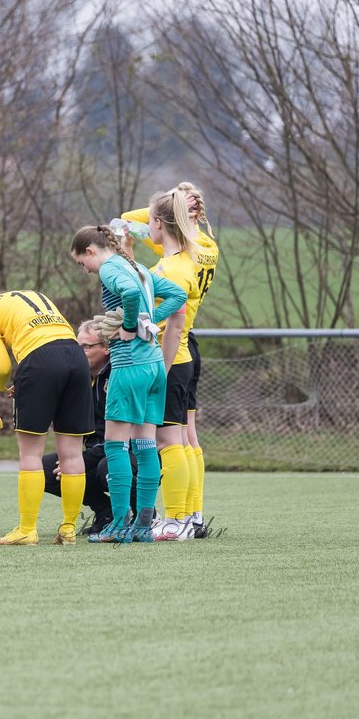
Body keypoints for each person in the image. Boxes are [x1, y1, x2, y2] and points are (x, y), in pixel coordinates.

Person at [70, 224, 187, 543]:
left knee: (116, 444)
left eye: (82, 263)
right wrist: (150, 322)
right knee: (147, 444)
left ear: (91, 251)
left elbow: (131, 295)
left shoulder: (110, 268)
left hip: (130, 364)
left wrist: (130, 325)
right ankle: (143, 526)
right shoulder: (138, 268)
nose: (87, 271)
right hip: (153, 365)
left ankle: (120, 524)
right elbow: (178, 295)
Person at [0, 277, 92, 546]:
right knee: (72, 452)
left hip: (39, 360)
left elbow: (0, 367)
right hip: (76, 357)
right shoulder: (29, 295)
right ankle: (68, 529)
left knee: (31, 452)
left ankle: (27, 529)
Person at [122, 181, 219, 537]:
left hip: (172, 353)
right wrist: (174, 203)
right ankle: (192, 516)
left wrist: (159, 373)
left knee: (168, 441)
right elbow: (142, 220)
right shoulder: (205, 245)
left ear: (161, 225)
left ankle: (176, 519)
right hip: (188, 350)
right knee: (188, 438)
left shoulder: (174, 267)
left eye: (153, 222)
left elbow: (173, 326)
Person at [40, 322, 125, 536]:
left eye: (86, 347)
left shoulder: (120, 375)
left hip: (126, 452)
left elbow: (128, 436)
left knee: (108, 467)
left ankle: (146, 514)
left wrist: (84, 460)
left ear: (106, 348)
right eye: (77, 347)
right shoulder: (79, 378)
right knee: (43, 469)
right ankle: (105, 512)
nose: (80, 352)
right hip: (95, 452)